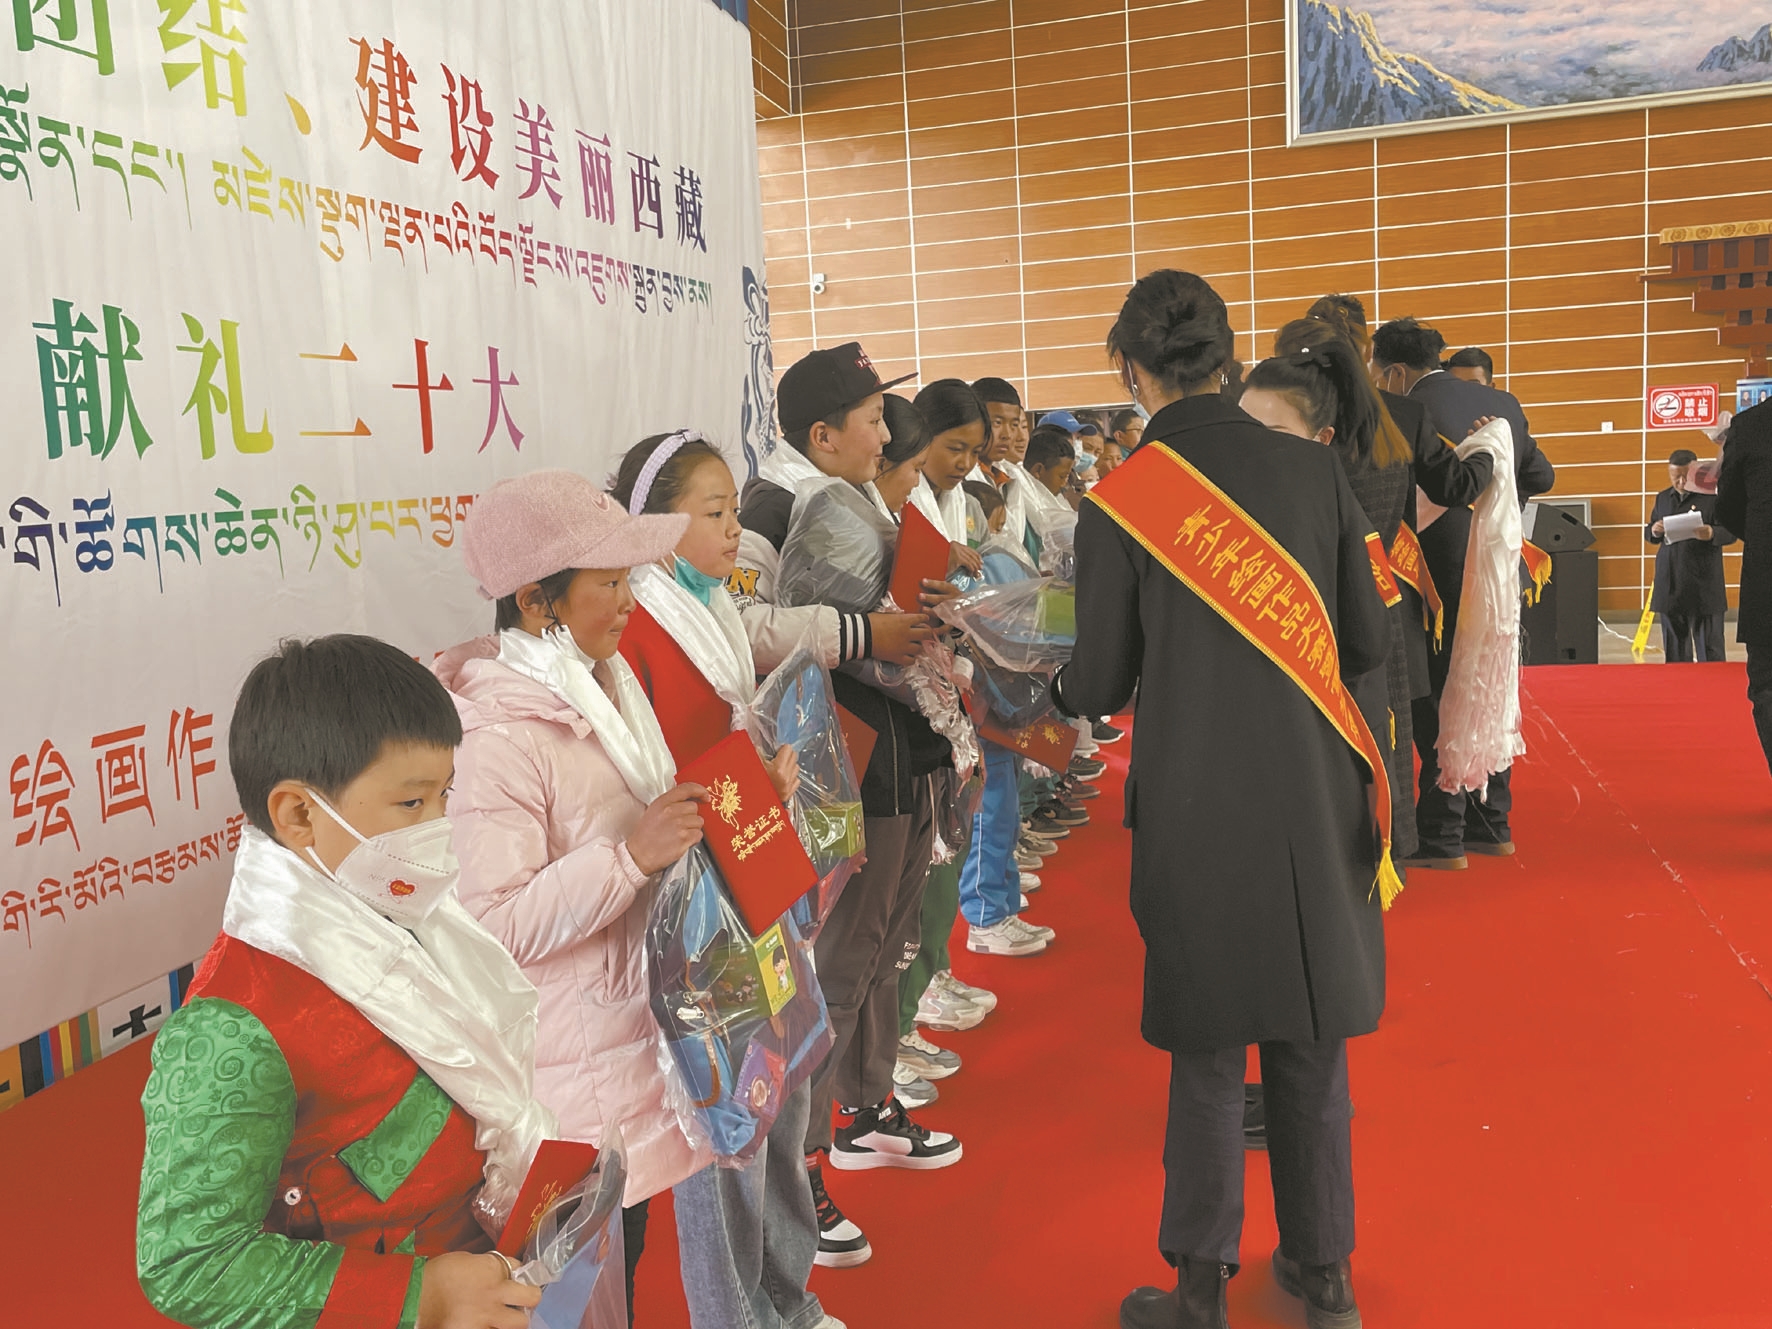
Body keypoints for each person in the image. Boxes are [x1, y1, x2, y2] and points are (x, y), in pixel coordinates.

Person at [1055, 269, 1389, 1329]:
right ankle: (1324, 1275)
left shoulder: (1123, 499)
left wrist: (1040, 679)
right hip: (1313, 794)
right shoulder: (1312, 469)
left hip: (1195, 806)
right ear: (1228, 354)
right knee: (1309, 1035)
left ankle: (1199, 1289)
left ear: (1129, 368)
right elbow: (1365, 640)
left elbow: (1098, 682)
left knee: (1204, 1049)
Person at [138, 635, 553, 1329]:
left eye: (445, 795)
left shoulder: (407, 917)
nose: (439, 828)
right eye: (412, 803)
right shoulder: (235, 1025)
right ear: (299, 815)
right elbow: (190, 1262)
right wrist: (421, 1295)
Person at [436, 471, 715, 1320]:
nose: (630, 601)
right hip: (567, 1069)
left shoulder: (601, 682)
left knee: (618, 1258)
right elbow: (492, 923)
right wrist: (630, 858)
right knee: (573, 1286)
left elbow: (645, 816)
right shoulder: (496, 737)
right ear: (535, 601)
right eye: (610, 581)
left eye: (629, 578)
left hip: (623, 1037)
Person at [607, 432, 845, 1329]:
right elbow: (643, 784)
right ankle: (738, 1316)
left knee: (783, 1097)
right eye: (715, 513)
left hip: (753, 877)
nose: (735, 530)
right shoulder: (633, 628)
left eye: (735, 511)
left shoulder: (710, 606)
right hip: (697, 913)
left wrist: (765, 774)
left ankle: (788, 1294)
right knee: (728, 1130)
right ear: (654, 525)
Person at [735, 343, 963, 1271]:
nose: (886, 436)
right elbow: (742, 632)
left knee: (883, 948)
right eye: (872, 421)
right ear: (822, 435)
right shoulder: (770, 506)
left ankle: (865, 1106)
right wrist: (867, 631)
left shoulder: (861, 495)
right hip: (837, 769)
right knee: (836, 962)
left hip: (901, 756)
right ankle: (799, 1165)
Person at [1371, 315, 1555, 866]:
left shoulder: (1399, 410)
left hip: (1432, 578)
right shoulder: (1504, 404)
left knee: (1438, 699)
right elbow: (1541, 477)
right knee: (1489, 689)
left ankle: (1442, 834)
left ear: (1395, 371)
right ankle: (1492, 824)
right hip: (1496, 574)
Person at [1244, 318, 1420, 864]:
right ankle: (1385, 850)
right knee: (1379, 742)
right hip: (1378, 604)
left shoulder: (1313, 455)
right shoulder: (1387, 434)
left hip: (1324, 613)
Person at [1716, 399, 1772, 775]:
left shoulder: (1751, 425)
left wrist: (1761, 536)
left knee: (1768, 688)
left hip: (1767, 577)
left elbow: (1729, 507)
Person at [1646, 447, 1735, 662]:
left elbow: (1731, 532)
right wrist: (1654, 531)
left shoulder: (1713, 498)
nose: (1681, 482)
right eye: (1675, 477)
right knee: (1675, 653)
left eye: (1686, 476)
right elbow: (1650, 532)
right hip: (1671, 581)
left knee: (1711, 651)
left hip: (1704, 583)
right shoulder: (1663, 498)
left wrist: (1712, 532)